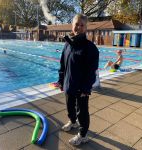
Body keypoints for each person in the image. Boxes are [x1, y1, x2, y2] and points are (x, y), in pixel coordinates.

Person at [57, 14, 99, 146]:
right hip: (69, 84)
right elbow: (63, 64)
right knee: (70, 107)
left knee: (82, 111)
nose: (79, 27)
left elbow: (92, 72)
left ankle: (83, 134)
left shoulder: (90, 48)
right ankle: (73, 122)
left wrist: (86, 89)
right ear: (72, 25)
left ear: (86, 28)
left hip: (81, 87)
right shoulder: (67, 44)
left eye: (82, 25)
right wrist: (61, 80)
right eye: (77, 24)